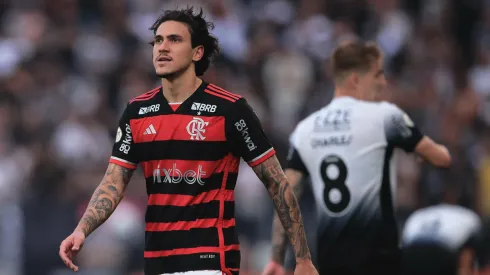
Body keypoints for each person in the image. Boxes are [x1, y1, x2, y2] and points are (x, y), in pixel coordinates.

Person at [58, 7, 318, 275]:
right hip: (157, 261)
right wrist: (82, 229)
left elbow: (276, 181)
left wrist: (302, 259)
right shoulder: (136, 112)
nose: (162, 47)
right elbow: (113, 183)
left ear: (197, 53)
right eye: (158, 40)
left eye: (175, 39)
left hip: (210, 260)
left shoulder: (230, 110)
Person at [262, 41, 451, 275]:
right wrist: (427, 153)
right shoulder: (385, 117)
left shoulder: (306, 129)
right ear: (355, 79)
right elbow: (442, 159)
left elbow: (286, 195)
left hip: (331, 262)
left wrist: (276, 258)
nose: (382, 83)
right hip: (380, 261)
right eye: (377, 75)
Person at [401, 203, 483, 275]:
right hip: (442, 254)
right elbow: (467, 255)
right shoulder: (468, 216)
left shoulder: (418, 215)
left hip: (410, 254)